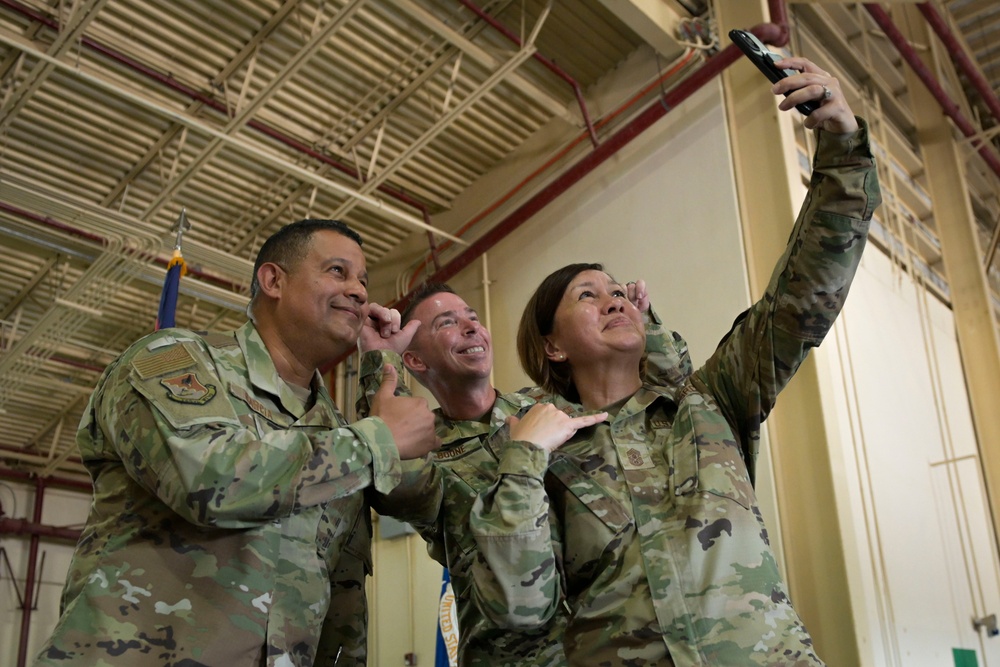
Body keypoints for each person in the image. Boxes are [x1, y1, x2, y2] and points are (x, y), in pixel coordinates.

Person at [469, 56, 882, 666]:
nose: (611, 296)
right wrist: (525, 460)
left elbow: (804, 294)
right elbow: (518, 613)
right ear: (552, 347)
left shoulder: (711, 401)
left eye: (615, 289)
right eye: (586, 295)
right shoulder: (534, 449)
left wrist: (842, 148)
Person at [35, 219, 439, 667]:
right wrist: (376, 440)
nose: (361, 292)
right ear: (273, 281)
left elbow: (407, 509)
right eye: (338, 271)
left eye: (363, 280)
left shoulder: (338, 433)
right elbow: (210, 481)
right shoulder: (173, 361)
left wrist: (381, 368)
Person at [354, 283, 607, 666]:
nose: (472, 327)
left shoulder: (552, 410)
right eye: (447, 323)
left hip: (607, 645)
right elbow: (394, 475)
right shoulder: (428, 451)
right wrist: (379, 362)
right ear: (417, 362)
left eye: (473, 317)